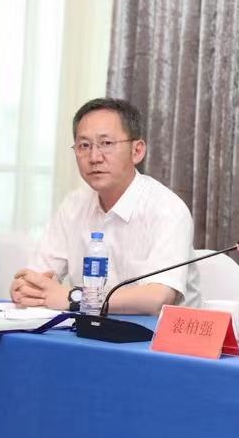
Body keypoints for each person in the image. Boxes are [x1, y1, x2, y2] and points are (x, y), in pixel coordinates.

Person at [11, 98, 199, 315]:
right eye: (84, 145)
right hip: (89, 329)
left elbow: (157, 297)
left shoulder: (167, 209)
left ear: (137, 151)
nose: (94, 157)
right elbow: (33, 280)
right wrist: (24, 289)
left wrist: (74, 297)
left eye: (107, 143)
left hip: (158, 334)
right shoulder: (73, 205)